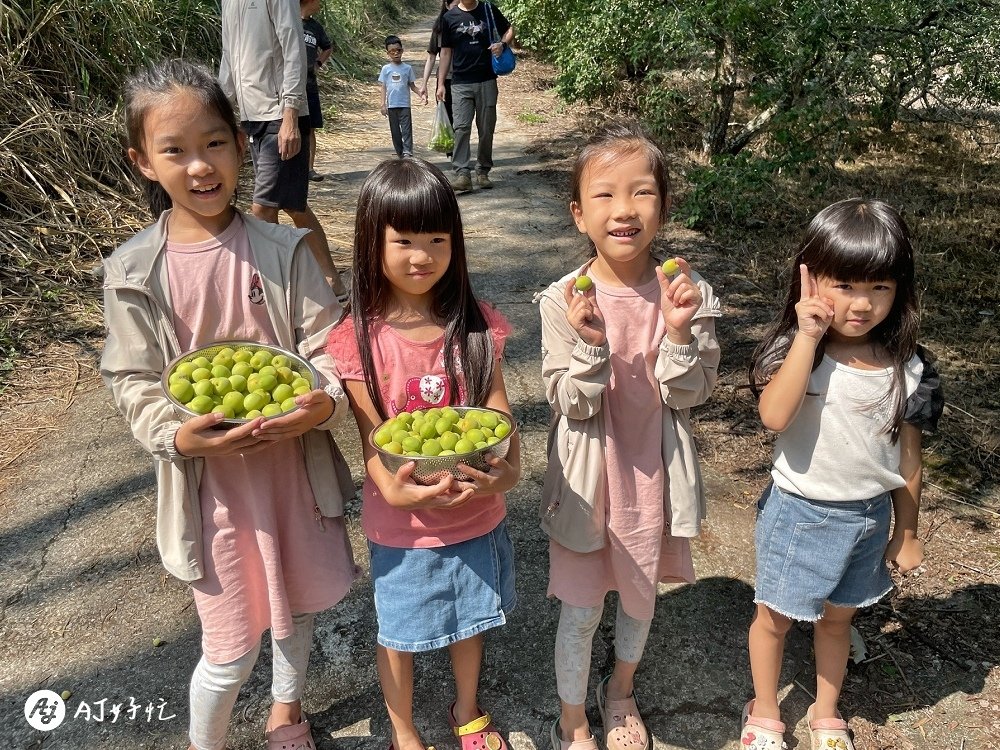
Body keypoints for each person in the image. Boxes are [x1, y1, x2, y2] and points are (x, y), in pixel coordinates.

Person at [102, 59, 358, 750]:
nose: (200, 166)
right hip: (209, 489)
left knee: (298, 608)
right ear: (143, 163)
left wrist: (320, 400)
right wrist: (182, 438)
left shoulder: (283, 248)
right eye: (174, 150)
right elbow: (133, 379)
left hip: (292, 474)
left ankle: (287, 711)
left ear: (242, 144)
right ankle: (204, 742)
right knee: (228, 646)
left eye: (214, 143)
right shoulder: (133, 271)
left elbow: (326, 345)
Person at [536, 121, 722, 750]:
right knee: (582, 609)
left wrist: (677, 332)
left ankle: (620, 696)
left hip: (655, 479)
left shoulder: (689, 294)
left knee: (640, 600)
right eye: (604, 195)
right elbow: (567, 403)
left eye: (641, 193)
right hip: (590, 482)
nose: (624, 210)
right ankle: (573, 718)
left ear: (664, 207)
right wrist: (590, 348)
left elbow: (691, 392)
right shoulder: (564, 299)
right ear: (577, 214)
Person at [326, 158, 520, 750]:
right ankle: (404, 730)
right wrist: (393, 490)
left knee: (471, 620)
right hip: (402, 524)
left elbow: (499, 415)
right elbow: (372, 441)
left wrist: (503, 474)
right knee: (400, 631)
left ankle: (467, 709)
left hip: (474, 510)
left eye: (438, 240)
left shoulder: (477, 326)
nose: (422, 255)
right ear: (372, 244)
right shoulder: (357, 337)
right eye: (404, 240)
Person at [743, 198, 943, 750]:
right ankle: (763, 709)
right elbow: (774, 417)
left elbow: (908, 462)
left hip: (868, 519)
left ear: (900, 290)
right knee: (775, 618)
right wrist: (807, 338)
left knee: (838, 621)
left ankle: (826, 710)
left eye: (879, 287)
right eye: (845, 285)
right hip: (800, 515)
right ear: (810, 281)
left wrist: (906, 531)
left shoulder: (910, 367)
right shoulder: (796, 351)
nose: (861, 304)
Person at [219, 0, 347, 297]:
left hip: (280, 113)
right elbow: (229, 57)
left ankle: (278, 290)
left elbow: (294, 48)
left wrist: (291, 111)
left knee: (262, 208)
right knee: (292, 204)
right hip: (252, 116)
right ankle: (331, 281)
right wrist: (223, 109)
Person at [436, 0, 514, 193]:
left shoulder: (487, 9)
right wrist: (440, 84)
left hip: (486, 80)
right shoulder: (449, 18)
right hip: (460, 82)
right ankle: (462, 174)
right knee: (461, 127)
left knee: (486, 129)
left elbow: (510, 29)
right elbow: (445, 52)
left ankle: (483, 171)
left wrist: (502, 45)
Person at [421, 0, 460, 157]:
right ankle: (452, 152)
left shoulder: (465, 25)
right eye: (455, 5)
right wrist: (424, 84)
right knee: (449, 117)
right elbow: (431, 58)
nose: (458, 9)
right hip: (446, 80)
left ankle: (459, 152)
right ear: (446, 5)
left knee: (462, 119)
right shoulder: (439, 29)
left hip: (464, 78)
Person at [301, 0, 333, 182]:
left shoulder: (315, 27)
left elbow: (327, 47)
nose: (320, 4)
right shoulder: (288, 20)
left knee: (310, 127)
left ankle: (309, 169)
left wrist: (318, 63)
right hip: (289, 85)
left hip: (309, 84)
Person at [378, 35, 425, 158]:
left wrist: (420, 93)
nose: (396, 53)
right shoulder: (386, 69)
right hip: (392, 105)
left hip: (404, 104)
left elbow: (412, 85)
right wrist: (383, 104)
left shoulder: (407, 68)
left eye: (398, 50)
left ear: (402, 51)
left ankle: (408, 151)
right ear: (388, 53)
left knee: (406, 129)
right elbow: (383, 87)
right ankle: (400, 153)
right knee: (395, 132)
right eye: (392, 51)